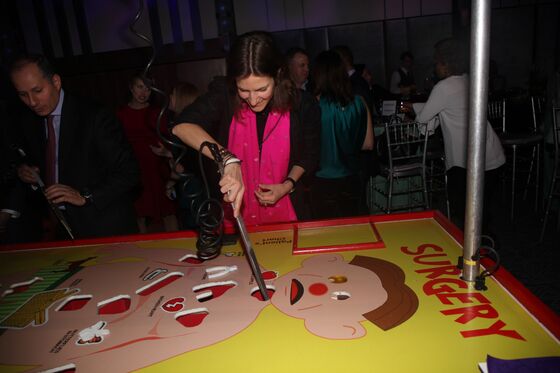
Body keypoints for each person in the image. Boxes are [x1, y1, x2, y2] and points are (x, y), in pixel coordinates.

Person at [172, 31, 321, 226]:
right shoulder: (224, 94)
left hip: (290, 208)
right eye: (244, 90)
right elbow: (182, 126)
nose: (252, 99)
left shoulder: (303, 103)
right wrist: (227, 159)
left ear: (277, 75)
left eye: (261, 89)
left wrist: (286, 186)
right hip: (232, 216)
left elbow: (309, 155)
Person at [7, 54, 140, 240]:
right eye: (23, 94)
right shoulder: (29, 120)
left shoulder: (94, 115)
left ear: (56, 81)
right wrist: (28, 173)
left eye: (37, 90)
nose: (32, 101)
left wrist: (86, 196)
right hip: (62, 227)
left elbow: (129, 172)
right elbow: (38, 162)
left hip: (105, 226)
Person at [404, 38, 506, 230]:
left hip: (466, 162)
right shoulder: (469, 80)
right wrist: (417, 107)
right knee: (479, 214)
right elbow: (448, 107)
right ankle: (485, 250)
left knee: (465, 213)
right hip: (491, 155)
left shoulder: (443, 87)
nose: (435, 67)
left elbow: (425, 117)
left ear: (445, 63)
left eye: (436, 62)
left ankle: (479, 252)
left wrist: (413, 116)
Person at [311, 51, 374, 219]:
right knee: (353, 230)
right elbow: (368, 144)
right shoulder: (360, 102)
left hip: (322, 180)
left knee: (327, 236)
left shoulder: (314, 104)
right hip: (352, 178)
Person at [117, 73, 178, 233]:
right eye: (140, 87)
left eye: (148, 89)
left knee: (168, 210)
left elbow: (169, 140)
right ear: (131, 88)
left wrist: (167, 155)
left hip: (157, 164)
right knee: (139, 211)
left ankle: (177, 247)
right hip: (135, 167)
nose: (143, 93)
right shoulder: (120, 115)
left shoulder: (158, 112)